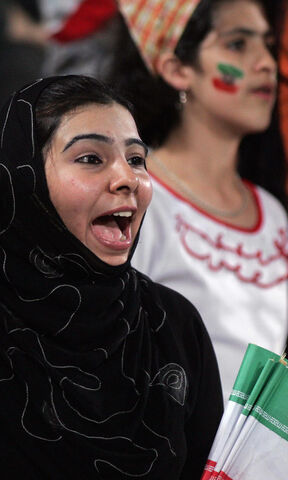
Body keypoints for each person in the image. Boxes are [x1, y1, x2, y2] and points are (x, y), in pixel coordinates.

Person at [0, 75, 223, 479]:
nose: (128, 179)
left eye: (136, 159)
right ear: (25, 178)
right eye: (91, 158)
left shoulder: (172, 325)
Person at [108, 0, 288, 402]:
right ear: (177, 69)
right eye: (238, 45)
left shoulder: (272, 215)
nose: (266, 64)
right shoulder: (135, 194)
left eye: (268, 45)